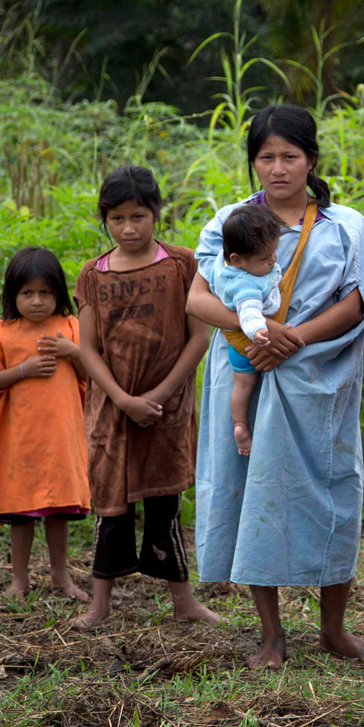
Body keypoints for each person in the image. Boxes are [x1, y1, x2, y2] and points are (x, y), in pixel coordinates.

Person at [186, 104, 364, 669]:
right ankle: (271, 634)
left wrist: (293, 337)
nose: (278, 168)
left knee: (333, 493)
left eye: (290, 156)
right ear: (253, 162)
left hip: (319, 380)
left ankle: (334, 631)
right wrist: (254, 331)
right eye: (266, 157)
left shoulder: (346, 225)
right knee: (252, 493)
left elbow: (360, 298)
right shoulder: (228, 219)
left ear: (312, 160)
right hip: (247, 372)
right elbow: (197, 298)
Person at [71, 166, 219, 628]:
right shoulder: (93, 275)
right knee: (111, 506)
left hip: (167, 407)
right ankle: (99, 605)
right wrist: (122, 399)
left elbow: (199, 337)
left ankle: (184, 602)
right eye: (117, 219)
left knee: (165, 504)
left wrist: (157, 394)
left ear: (157, 213)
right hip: (111, 412)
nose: (129, 228)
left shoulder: (181, 264)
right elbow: (87, 349)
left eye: (138, 216)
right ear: (105, 220)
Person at [0, 246, 91, 601]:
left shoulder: (70, 327)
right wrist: (23, 370)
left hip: (61, 438)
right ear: (12, 294)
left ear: (59, 293)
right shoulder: (1, 332)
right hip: (18, 440)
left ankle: (61, 578)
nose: (37, 301)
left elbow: (90, 376)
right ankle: (19, 580)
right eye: (27, 293)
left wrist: (73, 353)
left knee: (60, 511)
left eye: (46, 292)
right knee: (20, 513)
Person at [211, 204, 283, 456]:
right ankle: (240, 424)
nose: (273, 260)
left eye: (274, 252)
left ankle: (241, 423)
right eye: (265, 258)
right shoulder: (246, 286)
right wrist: (258, 331)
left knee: (241, 386)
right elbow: (249, 313)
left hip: (238, 340)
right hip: (245, 344)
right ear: (237, 260)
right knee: (243, 386)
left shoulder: (224, 265)